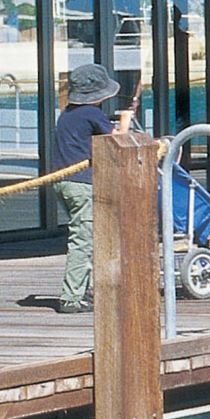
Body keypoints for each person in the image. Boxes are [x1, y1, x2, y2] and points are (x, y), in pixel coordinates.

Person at [51, 62, 126, 313]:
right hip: (81, 183)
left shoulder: (68, 113)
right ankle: (70, 298)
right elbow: (117, 139)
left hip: (63, 182)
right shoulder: (92, 113)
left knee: (87, 234)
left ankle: (83, 290)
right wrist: (125, 123)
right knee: (82, 239)